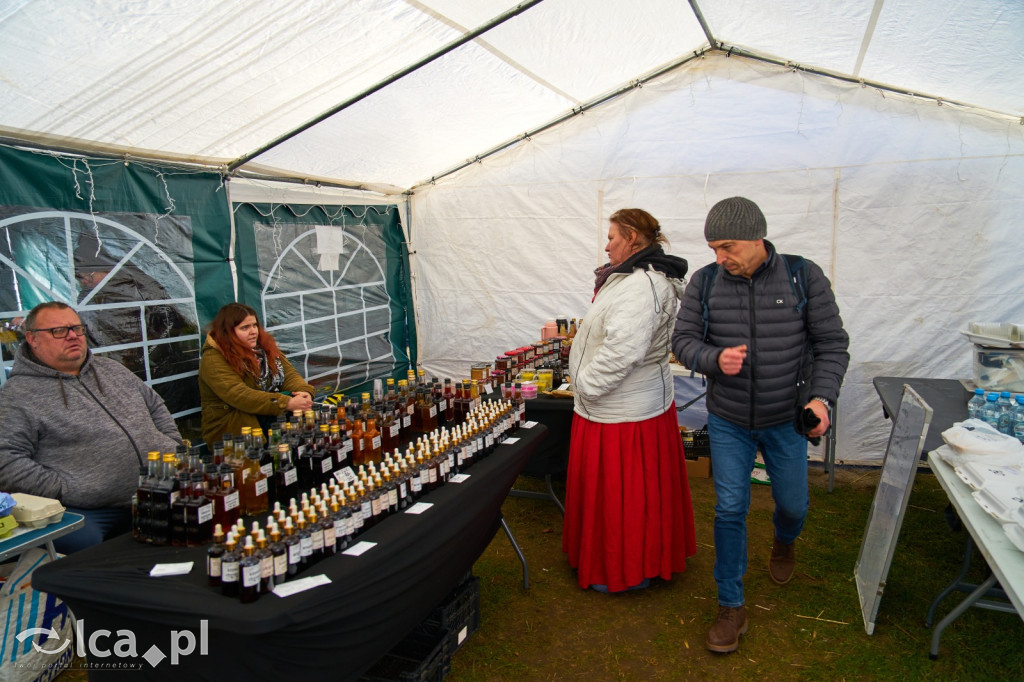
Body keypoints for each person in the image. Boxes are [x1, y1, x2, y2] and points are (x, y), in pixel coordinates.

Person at [671, 197, 850, 653]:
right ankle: (731, 606)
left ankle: (784, 541)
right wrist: (715, 359)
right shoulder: (705, 282)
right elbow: (684, 341)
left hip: (785, 418)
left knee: (793, 504)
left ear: (757, 238)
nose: (719, 258)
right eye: (713, 248)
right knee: (730, 509)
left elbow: (832, 344)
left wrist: (821, 399)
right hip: (728, 419)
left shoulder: (802, 276)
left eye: (727, 247)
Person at [562, 208, 696, 593]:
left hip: (623, 409)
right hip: (622, 404)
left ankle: (627, 569)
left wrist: (586, 384)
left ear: (633, 239)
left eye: (612, 238)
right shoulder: (630, 278)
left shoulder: (641, 285)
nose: (606, 246)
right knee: (628, 495)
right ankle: (624, 562)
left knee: (627, 497)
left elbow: (624, 350)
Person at [0, 301, 183, 553]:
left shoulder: (112, 370)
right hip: (92, 509)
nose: (73, 335)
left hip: (159, 487)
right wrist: (65, 488)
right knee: (87, 545)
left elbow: (156, 406)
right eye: (59, 331)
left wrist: (171, 444)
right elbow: (7, 460)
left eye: (77, 328)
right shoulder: (17, 396)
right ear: (32, 339)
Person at [74, 233, 195, 381]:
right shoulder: (87, 298)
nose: (85, 281)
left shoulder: (137, 286)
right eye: (79, 277)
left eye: (90, 275)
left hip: (160, 368)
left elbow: (172, 319)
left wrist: (144, 354)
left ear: (108, 269)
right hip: (116, 371)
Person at [198, 302, 314, 449]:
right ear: (228, 332)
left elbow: (288, 374)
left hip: (267, 418)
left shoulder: (263, 347)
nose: (253, 331)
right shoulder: (214, 358)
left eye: (254, 325)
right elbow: (239, 395)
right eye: (244, 328)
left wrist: (304, 392)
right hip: (234, 429)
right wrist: (286, 403)